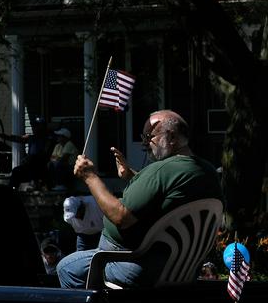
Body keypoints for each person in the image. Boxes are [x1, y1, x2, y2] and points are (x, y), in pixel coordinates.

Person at [56, 110, 222, 289]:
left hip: (133, 263)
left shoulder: (161, 170)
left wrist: (90, 177)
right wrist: (132, 176)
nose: (144, 143)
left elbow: (120, 217)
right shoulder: (206, 170)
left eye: (149, 136)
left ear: (172, 137)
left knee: (66, 267)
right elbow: (165, 194)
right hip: (180, 267)